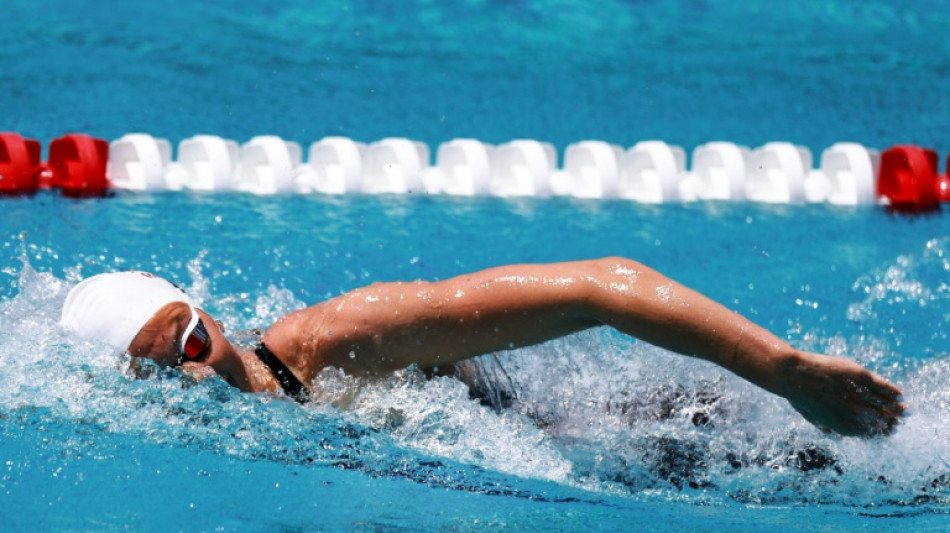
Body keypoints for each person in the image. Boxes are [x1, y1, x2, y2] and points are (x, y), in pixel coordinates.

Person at [60, 257, 905, 437]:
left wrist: (784, 370)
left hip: (656, 439)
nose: (196, 369)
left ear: (207, 313)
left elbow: (598, 285)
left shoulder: (340, 340)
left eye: (192, 337)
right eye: (163, 372)